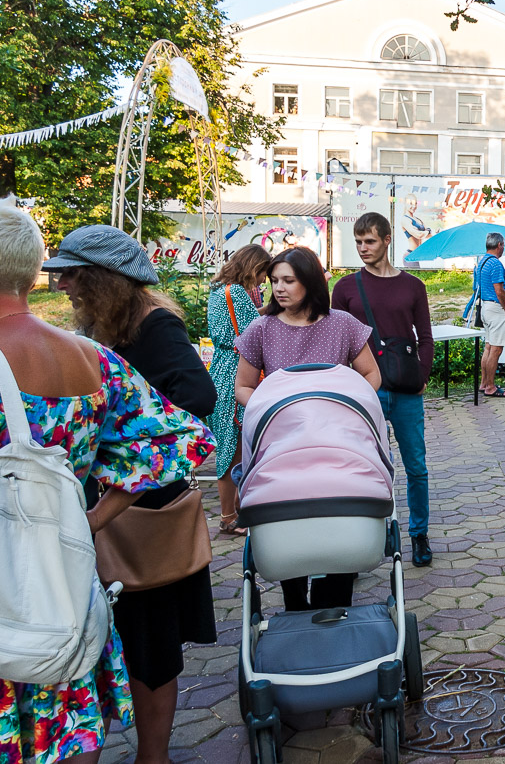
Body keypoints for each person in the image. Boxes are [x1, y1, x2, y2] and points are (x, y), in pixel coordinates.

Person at [0, 209, 213, 764]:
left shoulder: (135, 335)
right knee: (61, 708)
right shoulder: (93, 358)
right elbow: (179, 440)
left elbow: (193, 411)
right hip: (62, 573)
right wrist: (88, 520)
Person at [235, 246, 380, 610]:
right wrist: (274, 410)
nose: (278, 289)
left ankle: (334, 611)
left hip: (337, 444)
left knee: (339, 526)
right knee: (290, 526)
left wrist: (344, 406)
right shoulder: (261, 328)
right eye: (274, 281)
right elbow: (243, 387)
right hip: (284, 445)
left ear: (310, 282)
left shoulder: (342, 324)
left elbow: (371, 374)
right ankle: (296, 609)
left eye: (288, 280)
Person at [332, 213, 435, 567]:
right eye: (358, 241)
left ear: (388, 240)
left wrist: (422, 375)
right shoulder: (345, 287)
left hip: (406, 390)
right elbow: (336, 339)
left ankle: (419, 534)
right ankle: (364, 541)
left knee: (416, 466)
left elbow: (425, 337)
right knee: (365, 469)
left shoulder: (412, 286)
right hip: (364, 392)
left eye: (370, 241)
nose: (363, 248)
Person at [206, 244, 271, 537]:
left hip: (221, 372)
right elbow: (249, 332)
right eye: (263, 274)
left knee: (234, 447)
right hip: (234, 374)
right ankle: (229, 517)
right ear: (253, 268)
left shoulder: (223, 291)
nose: (264, 282)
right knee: (231, 449)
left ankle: (236, 509)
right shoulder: (236, 294)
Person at [473, 232, 505, 397]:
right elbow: (499, 289)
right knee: (496, 350)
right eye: (503, 245)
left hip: (485, 307)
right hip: (496, 309)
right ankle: (490, 386)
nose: (503, 249)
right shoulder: (496, 264)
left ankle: (484, 383)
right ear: (499, 245)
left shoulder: (482, 262)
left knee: (488, 347)